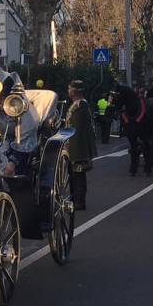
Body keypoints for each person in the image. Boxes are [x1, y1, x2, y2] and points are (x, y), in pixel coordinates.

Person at [66, 80, 97, 210]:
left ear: (74, 91)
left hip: (78, 145)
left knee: (78, 174)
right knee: (74, 174)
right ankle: (75, 198)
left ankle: (79, 201)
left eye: (69, 89)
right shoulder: (78, 105)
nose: (68, 91)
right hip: (75, 144)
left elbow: (76, 128)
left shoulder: (80, 106)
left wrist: (72, 147)